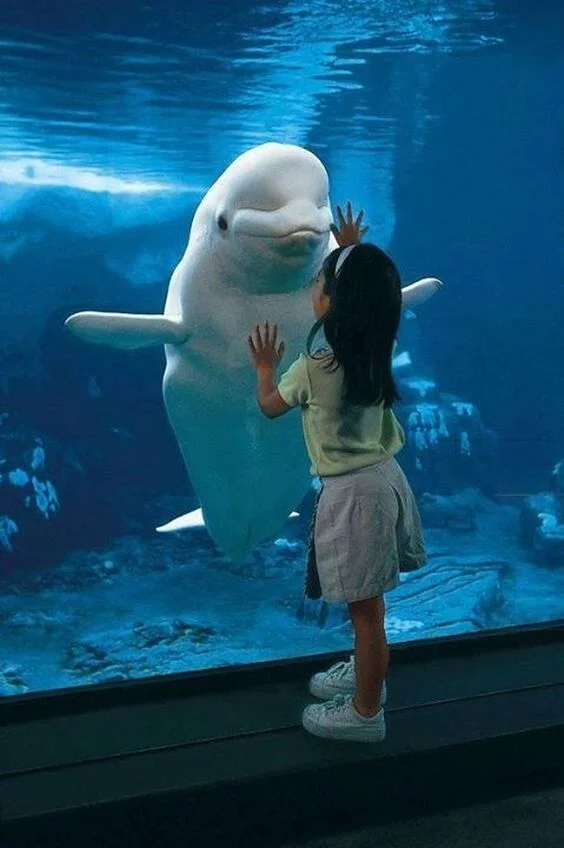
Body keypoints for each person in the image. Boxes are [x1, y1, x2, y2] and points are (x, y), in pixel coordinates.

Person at [248, 202, 427, 743]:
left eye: (319, 279)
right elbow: (382, 298)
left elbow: (270, 406)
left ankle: (366, 712)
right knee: (368, 605)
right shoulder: (379, 345)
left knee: (365, 611)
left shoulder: (313, 366)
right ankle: (367, 673)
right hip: (385, 478)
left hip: (354, 493)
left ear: (330, 298)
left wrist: (262, 369)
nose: (313, 285)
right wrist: (350, 248)